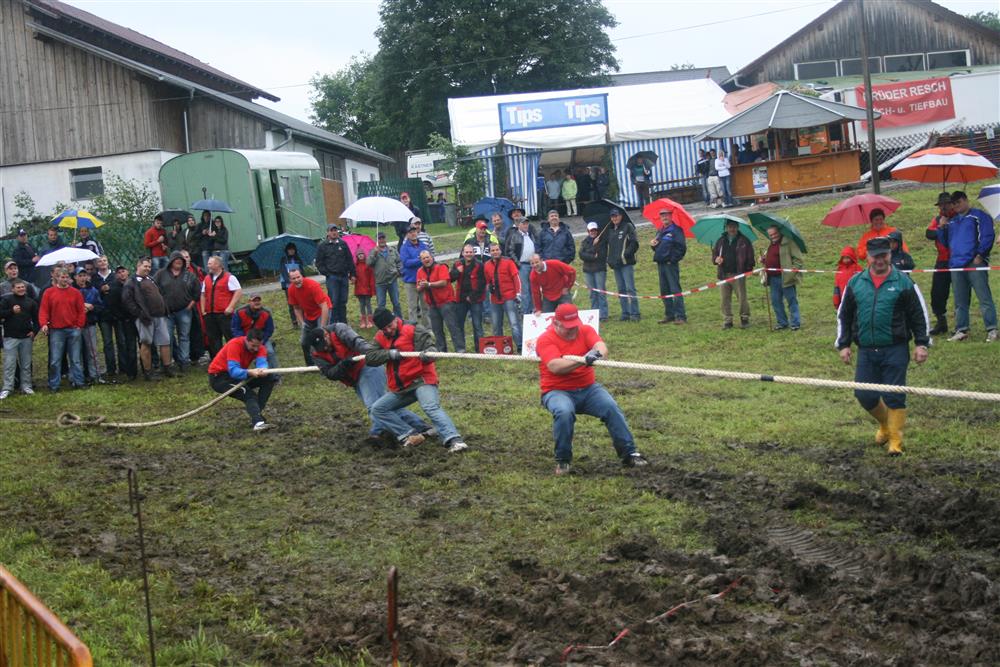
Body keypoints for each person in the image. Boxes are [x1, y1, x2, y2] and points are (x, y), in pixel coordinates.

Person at [836, 237, 930, 456]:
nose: (880, 260)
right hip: (866, 350)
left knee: (894, 395)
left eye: (884, 255)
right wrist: (843, 344)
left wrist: (922, 344)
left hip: (895, 349)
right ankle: (885, 426)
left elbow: (919, 314)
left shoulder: (904, 282)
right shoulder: (856, 283)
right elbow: (844, 314)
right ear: (867, 258)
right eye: (875, 256)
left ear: (890, 255)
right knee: (864, 395)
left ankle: (895, 440)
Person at [536, 303, 648, 475]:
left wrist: (597, 353)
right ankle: (563, 461)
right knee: (564, 412)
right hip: (556, 391)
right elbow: (555, 366)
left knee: (611, 407)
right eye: (568, 327)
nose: (573, 330)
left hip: (588, 389)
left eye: (574, 325)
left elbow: (601, 347)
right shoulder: (545, 339)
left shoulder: (585, 330)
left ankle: (629, 454)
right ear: (556, 323)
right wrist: (583, 359)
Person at [306, 324, 431, 443]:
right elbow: (329, 373)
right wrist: (344, 364)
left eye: (325, 344)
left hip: (368, 368)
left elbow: (359, 343)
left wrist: (374, 355)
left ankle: (401, 433)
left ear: (326, 335)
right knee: (385, 406)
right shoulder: (315, 352)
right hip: (354, 379)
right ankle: (422, 428)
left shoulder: (339, 330)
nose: (325, 348)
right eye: (321, 347)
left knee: (375, 407)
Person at [365, 308, 469, 452]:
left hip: (421, 380)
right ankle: (410, 435)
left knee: (430, 407)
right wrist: (389, 354)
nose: (388, 330)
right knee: (377, 409)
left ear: (395, 319)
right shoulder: (380, 337)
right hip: (401, 387)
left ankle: (454, 439)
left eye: (390, 325)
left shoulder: (414, 329)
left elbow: (431, 347)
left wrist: (429, 354)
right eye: (384, 329)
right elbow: (370, 357)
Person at [938, 191, 996, 342]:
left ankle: (992, 329)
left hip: (974, 262)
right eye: (954, 203)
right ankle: (961, 329)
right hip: (956, 264)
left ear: (965, 200)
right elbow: (946, 243)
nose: (956, 205)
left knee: (984, 297)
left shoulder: (978, 216)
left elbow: (987, 235)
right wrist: (942, 228)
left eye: (958, 202)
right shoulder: (951, 221)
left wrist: (980, 255)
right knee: (960, 300)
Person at [207, 328, 277, 432]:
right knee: (248, 394)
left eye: (258, 346)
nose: (256, 349)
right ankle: (258, 423)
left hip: (239, 375)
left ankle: (256, 414)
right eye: (253, 346)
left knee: (269, 378)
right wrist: (249, 372)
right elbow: (233, 371)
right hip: (220, 377)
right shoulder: (234, 345)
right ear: (247, 340)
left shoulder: (260, 348)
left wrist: (263, 370)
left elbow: (262, 363)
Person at [124, 257, 177, 380]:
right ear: (138, 266)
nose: (148, 268)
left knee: (165, 341)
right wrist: (140, 314)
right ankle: (148, 372)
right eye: (145, 266)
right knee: (146, 343)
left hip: (160, 316)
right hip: (145, 318)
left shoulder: (151, 279)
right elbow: (127, 301)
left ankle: (167, 368)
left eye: (149, 266)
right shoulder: (131, 282)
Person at [38, 267, 86, 391]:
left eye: (66, 277)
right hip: (56, 330)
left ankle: (79, 381)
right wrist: (44, 324)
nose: (64, 279)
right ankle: (54, 384)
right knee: (55, 359)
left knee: (75, 359)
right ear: (57, 278)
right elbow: (44, 310)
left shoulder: (76, 293)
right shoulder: (49, 292)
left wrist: (79, 325)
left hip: (73, 329)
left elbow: (81, 310)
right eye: (62, 277)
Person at [154, 251, 199, 372]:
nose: (179, 262)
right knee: (167, 338)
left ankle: (184, 362)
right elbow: (154, 289)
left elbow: (197, 292)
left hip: (184, 311)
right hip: (167, 312)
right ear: (171, 261)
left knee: (184, 337)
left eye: (181, 261)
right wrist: (160, 305)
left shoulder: (189, 275)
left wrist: (190, 305)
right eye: (176, 260)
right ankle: (167, 363)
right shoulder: (161, 274)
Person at [712, 219, 755, 329]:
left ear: (737, 227)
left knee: (742, 298)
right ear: (726, 228)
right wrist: (716, 259)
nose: (732, 229)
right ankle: (728, 321)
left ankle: (744, 319)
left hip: (738, 274)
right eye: (730, 227)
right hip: (723, 274)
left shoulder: (744, 241)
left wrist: (747, 270)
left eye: (734, 226)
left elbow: (750, 257)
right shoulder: (720, 241)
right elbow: (714, 255)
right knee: (724, 299)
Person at [416, 249, 461, 352]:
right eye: (423, 258)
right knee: (437, 330)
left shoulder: (441, 267)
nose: (426, 259)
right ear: (421, 260)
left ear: (432, 257)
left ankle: (460, 349)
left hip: (446, 302)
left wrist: (429, 284)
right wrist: (421, 286)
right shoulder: (419, 271)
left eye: (427, 257)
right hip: (432, 304)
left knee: (453, 327)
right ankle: (441, 351)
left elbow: (444, 282)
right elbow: (418, 288)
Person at [0, 279, 38, 398]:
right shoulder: (6, 300)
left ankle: (26, 386)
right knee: (9, 363)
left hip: (26, 337)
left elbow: (37, 319)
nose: (21, 289)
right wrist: (11, 311)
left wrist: (34, 331)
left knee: (26, 363)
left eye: (22, 287)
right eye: (18, 287)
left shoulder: (31, 302)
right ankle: (7, 388)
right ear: (13, 289)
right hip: (10, 337)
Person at [286, 267, 331, 365]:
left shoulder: (313, 285)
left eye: (298, 277)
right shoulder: (291, 290)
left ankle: (327, 363)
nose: (297, 280)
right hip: (309, 314)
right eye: (294, 278)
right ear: (290, 280)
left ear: (302, 276)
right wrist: (302, 322)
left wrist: (322, 327)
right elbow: (296, 308)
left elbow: (324, 306)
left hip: (322, 311)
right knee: (304, 342)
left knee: (321, 338)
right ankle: (310, 366)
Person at [762, 226, 804, 331]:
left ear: (779, 232)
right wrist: (764, 260)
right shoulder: (771, 244)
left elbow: (798, 260)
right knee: (776, 301)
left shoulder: (789, 242)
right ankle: (782, 322)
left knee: (791, 301)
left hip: (785, 277)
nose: (773, 236)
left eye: (774, 234)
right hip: (772, 279)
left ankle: (795, 323)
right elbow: (772, 258)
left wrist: (792, 272)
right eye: (770, 235)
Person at [201, 255, 243, 357]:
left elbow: (238, 291)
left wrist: (231, 307)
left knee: (230, 337)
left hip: (224, 314)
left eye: (210, 263)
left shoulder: (229, 277)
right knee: (213, 340)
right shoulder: (207, 278)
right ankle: (218, 360)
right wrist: (203, 311)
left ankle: (235, 358)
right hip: (210, 314)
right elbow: (203, 294)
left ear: (217, 264)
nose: (208, 266)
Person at [483, 242, 522, 350]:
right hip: (495, 299)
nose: (495, 252)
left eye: (497, 250)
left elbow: (516, 278)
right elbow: (487, 281)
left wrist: (518, 294)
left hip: (509, 297)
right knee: (496, 325)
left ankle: (520, 346)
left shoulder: (508, 262)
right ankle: (499, 347)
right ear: (489, 252)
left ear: (500, 251)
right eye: (493, 250)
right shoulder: (486, 265)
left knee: (514, 323)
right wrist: (489, 289)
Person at [651, 209, 687, 324]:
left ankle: (680, 316)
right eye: (662, 216)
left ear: (671, 216)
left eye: (666, 215)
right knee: (664, 291)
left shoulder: (676, 230)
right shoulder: (660, 230)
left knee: (675, 290)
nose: (664, 218)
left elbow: (681, 248)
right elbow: (659, 247)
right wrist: (653, 245)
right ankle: (669, 314)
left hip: (670, 265)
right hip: (660, 264)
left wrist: (672, 260)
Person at [925, 193, 954, 334]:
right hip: (942, 260)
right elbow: (928, 234)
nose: (943, 207)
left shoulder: (958, 217)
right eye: (941, 204)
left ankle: (962, 324)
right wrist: (940, 227)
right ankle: (941, 322)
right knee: (937, 293)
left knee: (961, 293)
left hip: (958, 260)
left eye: (946, 204)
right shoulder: (938, 219)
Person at [315, 224, 355, 325]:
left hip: (344, 276)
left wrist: (353, 274)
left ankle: (343, 322)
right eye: (331, 230)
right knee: (334, 301)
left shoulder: (343, 244)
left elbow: (349, 259)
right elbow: (319, 263)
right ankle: (333, 323)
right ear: (328, 232)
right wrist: (327, 274)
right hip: (332, 277)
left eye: (335, 230)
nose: (334, 232)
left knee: (343, 300)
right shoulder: (322, 246)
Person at [606, 208, 640, 322]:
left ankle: (635, 313)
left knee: (630, 289)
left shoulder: (628, 226)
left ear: (621, 216)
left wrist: (626, 254)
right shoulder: (610, 230)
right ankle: (625, 313)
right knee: (621, 289)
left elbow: (634, 243)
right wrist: (610, 260)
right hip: (616, 264)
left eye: (616, 216)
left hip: (626, 263)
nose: (614, 218)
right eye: (612, 216)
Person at [450, 244, 487, 352]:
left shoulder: (480, 265)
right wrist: (457, 272)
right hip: (460, 299)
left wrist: (472, 296)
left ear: (474, 253)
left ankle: (480, 350)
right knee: (459, 324)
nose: (469, 254)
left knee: (477, 325)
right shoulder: (457, 264)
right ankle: (461, 349)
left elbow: (482, 283)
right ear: (463, 253)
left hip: (475, 299)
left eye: (471, 252)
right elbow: (450, 279)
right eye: (466, 252)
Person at [105, 264, 138, 380]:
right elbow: (112, 305)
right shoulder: (114, 288)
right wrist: (121, 317)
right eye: (119, 272)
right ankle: (127, 370)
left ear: (128, 272)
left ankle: (140, 368)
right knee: (125, 345)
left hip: (136, 318)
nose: (121, 274)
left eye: (123, 271)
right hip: (123, 320)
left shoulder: (134, 284)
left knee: (137, 343)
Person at [73, 268, 105, 384]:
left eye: (84, 275)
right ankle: (78, 377)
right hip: (75, 325)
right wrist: (81, 307)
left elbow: (100, 306)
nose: (82, 278)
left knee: (92, 351)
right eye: (80, 276)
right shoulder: (71, 290)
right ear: (75, 277)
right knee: (76, 352)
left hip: (89, 323)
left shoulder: (93, 290)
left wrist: (92, 308)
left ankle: (95, 375)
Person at [231, 294, 277, 368]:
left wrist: (262, 341)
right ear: (249, 302)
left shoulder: (266, 313)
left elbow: (269, 330)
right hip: (244, 339)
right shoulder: (239, 312)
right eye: (254, 301)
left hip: (261, 339)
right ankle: (240, 372)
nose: (257, 302)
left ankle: (275, 373)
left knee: (270, 352)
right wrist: (245, 340)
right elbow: (235, 328)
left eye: (258, 300)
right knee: (236, 352)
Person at [505, 215, 538, 314]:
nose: (525, 225)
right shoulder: (514, 236)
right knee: (525, 290)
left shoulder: (531, 235)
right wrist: (518, 264)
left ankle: (534, 310)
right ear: (518, 225)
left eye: (527, 223)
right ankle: (525, 312)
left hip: (533, 265)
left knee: (534, 289)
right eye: (523, 223)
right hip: (522, 265)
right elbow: (509, 251)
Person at [367, 233, 403, 318]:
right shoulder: (373, 251)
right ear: (377, 240)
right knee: (381, 304)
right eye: (380, 238)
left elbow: (399, 262)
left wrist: (399, 271)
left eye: (383, 238)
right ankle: (382, 321)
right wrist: (374, 254)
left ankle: (399, 319)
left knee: (396, 303)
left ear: (386, 239)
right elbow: (368, 263)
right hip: (380, 282)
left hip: (393, 280)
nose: (382, 240)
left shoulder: (392, 250)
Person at [400, 225, 429, 326]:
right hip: (410, 281)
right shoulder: (404, 248)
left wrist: (421, 260)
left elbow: (428, 259)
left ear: (417, 232)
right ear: (407, 235)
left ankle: (428, 327)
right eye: (410, 232)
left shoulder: (423, 245)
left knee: (425, 305)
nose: (413, 234)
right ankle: (414, 328)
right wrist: (420, 259)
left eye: (414, 231)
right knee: (412, 306)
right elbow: (406, 263)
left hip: (423, 280)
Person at [579, 222, 609, 321]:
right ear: (588, 231)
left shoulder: (602, 241)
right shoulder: (585, 241)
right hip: (588, 271)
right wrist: (593, 250)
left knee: (601, 292)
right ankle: (594, 313)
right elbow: (581, 255)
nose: (593, 232)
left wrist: (591, 253)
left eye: (594, 230)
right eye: (591, 230)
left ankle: (603, 314)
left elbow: (601, 255)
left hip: (599, 269)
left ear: (597, 231)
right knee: (592, 293)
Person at [278, 242, 304, 326]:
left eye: (293, 249)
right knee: (291, 302)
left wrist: (303, 280)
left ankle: (303, 318)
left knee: (301, 301)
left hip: (299, 283)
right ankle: (294, 320)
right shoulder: (283, 260)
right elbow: (283, 272)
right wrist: (290, 281)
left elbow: (302, 271)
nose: (291, 251)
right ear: (287, 250)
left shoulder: (298, 259)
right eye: (289, 249)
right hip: (288, 284)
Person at [832, 246, 862, 310]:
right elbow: (836, 287)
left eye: (848, 257)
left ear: (852, 257)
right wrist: (836, 300)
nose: (846, 260)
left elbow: (862, 284)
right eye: (844, 258)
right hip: (843, 299)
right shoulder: (839, 270)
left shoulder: (857, 269)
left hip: (855, 299)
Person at [354, 250, 376, 328]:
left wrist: (372, 288)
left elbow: (371, 277)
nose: (360, 255)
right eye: (359, 254)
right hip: (359, 289)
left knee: (368, 304)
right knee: (362, 304)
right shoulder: (355, 266)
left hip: (367, 288)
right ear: (357, 256)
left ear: (364, 255)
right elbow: (353, 276)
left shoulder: (368, 265)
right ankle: (363, 320)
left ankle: (370, 320)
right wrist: (352, 278)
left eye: (362, 254)